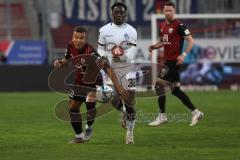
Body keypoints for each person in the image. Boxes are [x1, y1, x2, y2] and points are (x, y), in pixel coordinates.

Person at [148, 1, 203, 126]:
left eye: (170, 10)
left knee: (158, 85)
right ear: (163, 11)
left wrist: (183, 55)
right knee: (175, 90)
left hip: (174, 62)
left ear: (174, 11)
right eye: (166, 10)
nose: (168, 12)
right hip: (168, 61)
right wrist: (154, 47)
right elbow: (163, 41)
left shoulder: (179, 25)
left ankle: (162, 116)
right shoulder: (162, 25)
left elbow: (191, 41)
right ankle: (195, 112)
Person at [54, 26, 103, 143]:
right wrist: (60, 63)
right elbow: (66, 60)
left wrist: (99, 87)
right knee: (72, 109)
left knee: (89, 106)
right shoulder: (70, 46)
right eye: (76, 37)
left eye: (82, 38)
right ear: (73, 37)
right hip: (78, 83)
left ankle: (89, 127)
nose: (78, 40)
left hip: (92, 83)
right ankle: (79, 136)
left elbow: (100, 65)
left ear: (85, 39)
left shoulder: (90, 51)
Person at [97, 2, 137, 144]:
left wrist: (122, 56)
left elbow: (132, 51)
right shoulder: (104, 30)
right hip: (111, 68)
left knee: (130, 101)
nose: (119, 15)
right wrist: (102, 57)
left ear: (125, 14)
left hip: (127, 68)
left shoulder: (132, 31)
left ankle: (130, 133)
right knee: (112, 97)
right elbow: (100, 49)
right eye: (116, 12)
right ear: (112, 13)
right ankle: (123, 110)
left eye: (121, 13)